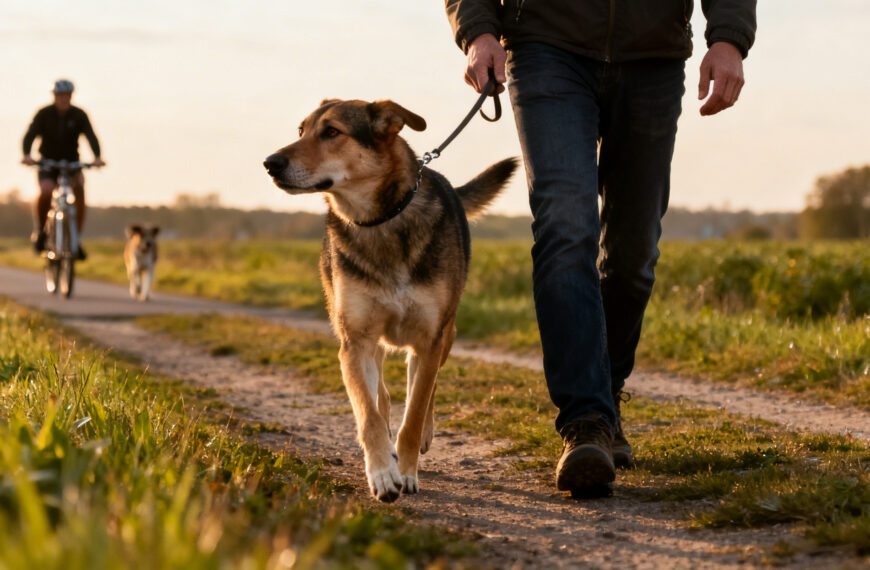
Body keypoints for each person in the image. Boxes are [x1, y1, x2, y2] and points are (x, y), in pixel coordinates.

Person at [445, 1, 756, 495]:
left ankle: (605, 399)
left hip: (652, 56)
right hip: (548, 46)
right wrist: (479, 31)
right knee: (566, 226)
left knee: (634, 256)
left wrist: (729, 38)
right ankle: (585, 421)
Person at [22, 79, 106, 259]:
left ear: (71, 96)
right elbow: (30, 135)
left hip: (71, 163)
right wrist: (27, 154)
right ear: (54, 97)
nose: (63, 99)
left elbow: (91, 136)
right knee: (45, 190)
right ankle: (41, 231)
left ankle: (76, 239)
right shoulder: (44, 114)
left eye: (66, 96)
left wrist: (97, 157)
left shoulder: (79, 115)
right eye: (60, 96)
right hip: (48, 163)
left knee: (80, 188)